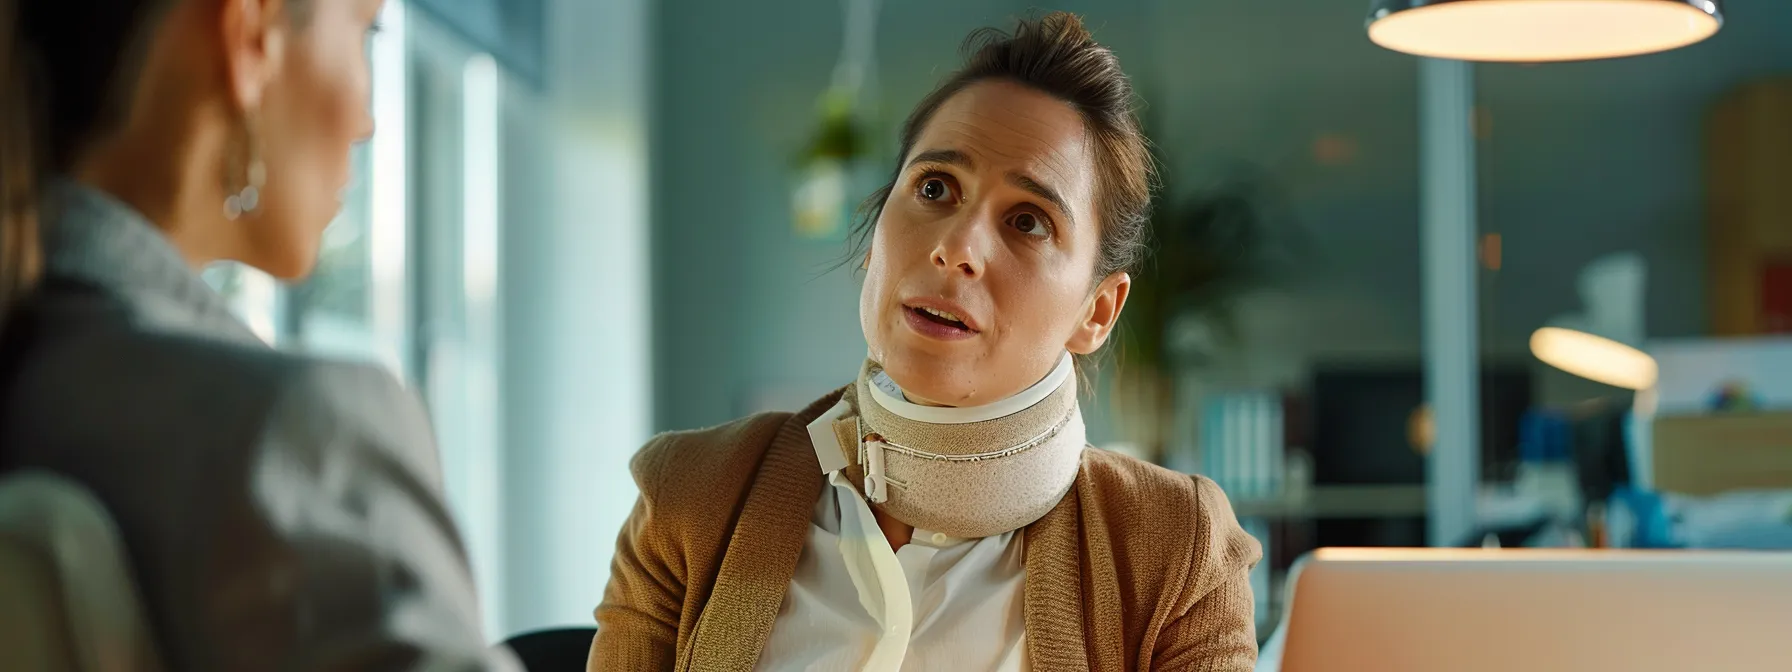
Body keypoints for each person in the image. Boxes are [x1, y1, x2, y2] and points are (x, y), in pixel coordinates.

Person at [591, 12, 1262, 671]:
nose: (956, 247)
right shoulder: (689, 498)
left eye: (1028, 222)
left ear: (1098, 311)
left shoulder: (1180, 551)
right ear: (876, 231)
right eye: (935, 188)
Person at [0, 0, 516, 669]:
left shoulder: (40, 381)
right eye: (366, 30)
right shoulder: (291, 438)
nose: (368, 120)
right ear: (249, 36)